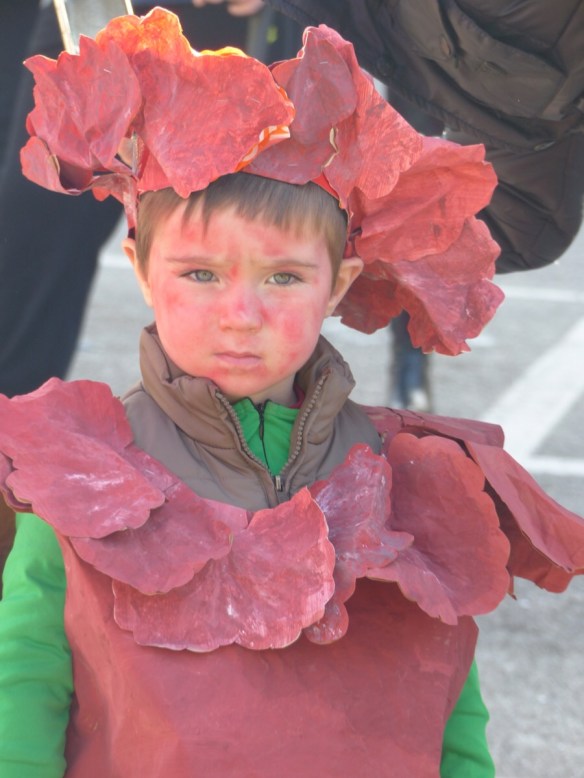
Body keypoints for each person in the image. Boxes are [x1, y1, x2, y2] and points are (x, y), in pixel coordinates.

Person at [1, 10, 584, 776]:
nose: (240, 315)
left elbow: (452, 717)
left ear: (339, 282)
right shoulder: (77, 483)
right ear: (141, 267)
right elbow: (22, 698)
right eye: (200, 274)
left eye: (283, 277)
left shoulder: (410, 488)